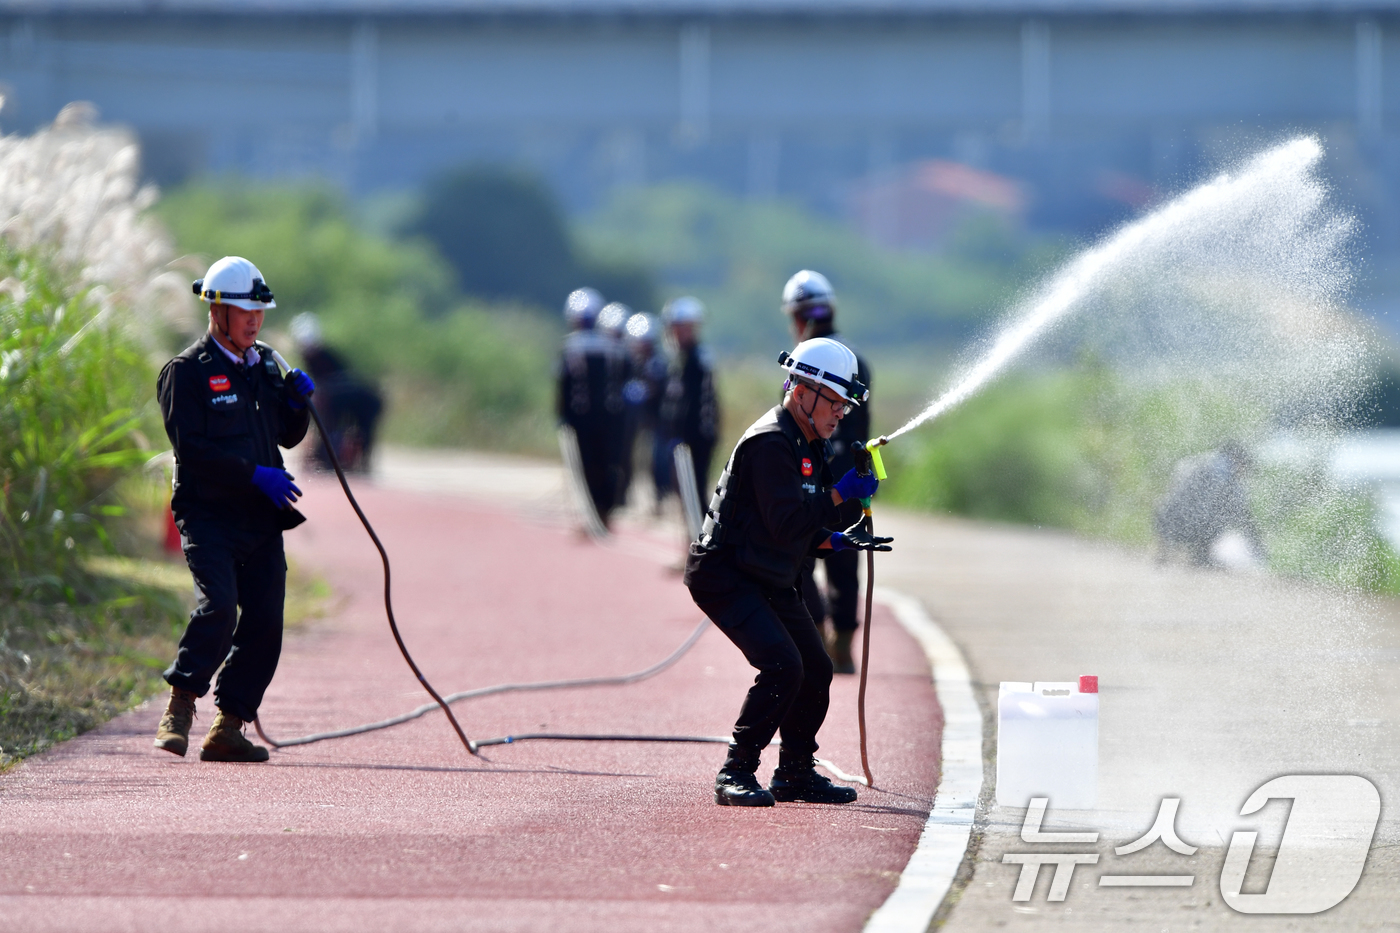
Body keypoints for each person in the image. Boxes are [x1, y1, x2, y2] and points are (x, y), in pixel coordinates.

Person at [684, 337, 893, 807]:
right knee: (782, 665)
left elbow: (808, 524)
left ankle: (795, 772)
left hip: (767, 571)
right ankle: (735, 771)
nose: (841, 414)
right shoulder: (771, 443)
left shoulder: (809, 442)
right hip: (726, 574)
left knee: (817, 668)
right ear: (802, 393)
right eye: (835, 402)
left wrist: (844, 531)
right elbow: (787, 524)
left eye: (845, 405)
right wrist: (841, 495)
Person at [153, 256, 315, 762]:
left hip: (261, 518)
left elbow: (288, 436)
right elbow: (193, 448)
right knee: (220, 607)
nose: (254, 321)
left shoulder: (266, 366)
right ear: (216, 311)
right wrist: (252, 474)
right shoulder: (185, 373)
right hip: (209, 515)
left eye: (259, 312)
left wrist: (296, 405)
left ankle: (230, 725)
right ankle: (180, 703)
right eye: (244, 311)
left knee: (266, 622)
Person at [782, 270, 873, 674]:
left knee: (801, 561)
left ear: (798, 318)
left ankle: (816, 642)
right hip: (850, 482)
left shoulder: (804, 361)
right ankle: (844, 647)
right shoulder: (858, 362)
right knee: (846, 561)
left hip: (812, 483)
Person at [557, 287, 627, 525]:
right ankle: (604, 510)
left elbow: (564, 387)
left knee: (588, 466)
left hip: (583, 417)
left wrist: (563, 415)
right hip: (610, 417)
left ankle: (595, 511)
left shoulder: (571, 347)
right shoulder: (613, 346)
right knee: (607, 464)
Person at [290, 313, 383, 473]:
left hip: (362, 400)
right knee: (329, 422)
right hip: (342, 398)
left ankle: (354, 462)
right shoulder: (315, 357)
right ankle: (329, 457)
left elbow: (336, 383)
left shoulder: (325, 356)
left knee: (359, 430)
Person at [1154, 441, 1265, 567]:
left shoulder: (1200, 463)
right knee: (1219, 517)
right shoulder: (1228, 479)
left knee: (1201, 513)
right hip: (1192, 527)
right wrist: (1258, 547)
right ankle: (1200, 556)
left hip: (1166, 520)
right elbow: (1243, 516)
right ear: (1238, 462)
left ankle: (1166, 553)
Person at [659, 296, 719, 518]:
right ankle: (692, 540)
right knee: (684, 491)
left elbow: (692, 402)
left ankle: (701, 542)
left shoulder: (697, 359)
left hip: (697, 436)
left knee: (694, 490)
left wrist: (681, 432)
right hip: (684, 435)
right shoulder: (681, 358)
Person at [622, 311, 670, 512]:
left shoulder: (658, 363)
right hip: (634, 419)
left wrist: (648, 390)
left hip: (656, 419)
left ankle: (659, 498)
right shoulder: (628, 363)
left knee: (657, 460)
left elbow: (659, 389)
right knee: (627, 456)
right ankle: (625, 495)